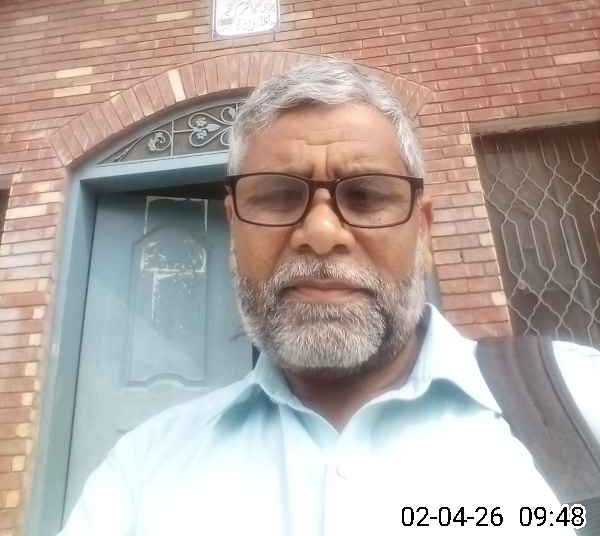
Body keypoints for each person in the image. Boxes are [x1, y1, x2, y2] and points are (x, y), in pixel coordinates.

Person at [58, 58, 599, 535]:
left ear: (424, 231)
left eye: (365, 196)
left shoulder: (581, 401)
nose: (321, 233)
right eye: (277, 196)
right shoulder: (141, 473)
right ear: (233, 228)